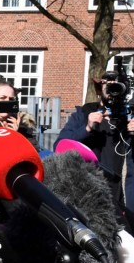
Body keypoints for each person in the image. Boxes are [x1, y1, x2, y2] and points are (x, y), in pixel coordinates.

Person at [54, 72, 134, 216]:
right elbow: (59, 147)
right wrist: (87, 128)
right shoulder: (84, 114)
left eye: (117, 85)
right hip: (89, 197)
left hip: (125, 201)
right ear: (99, 88)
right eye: (108, 85)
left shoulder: (130, 117)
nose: (112, 90)